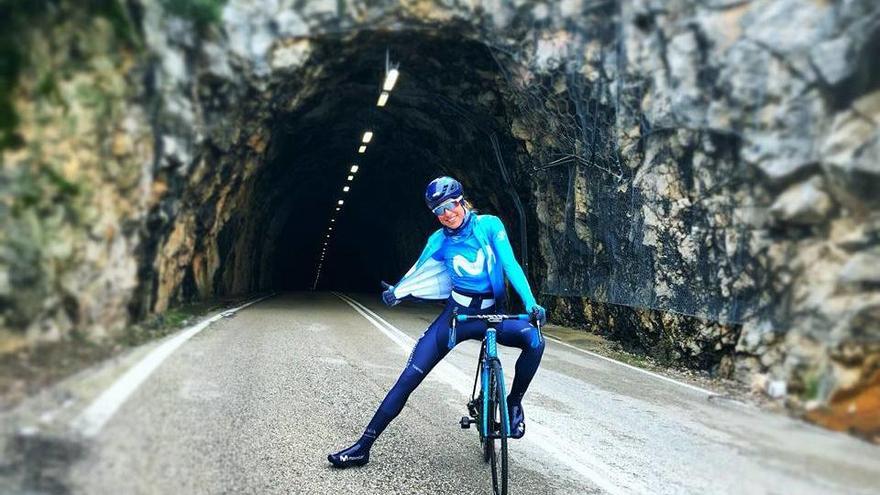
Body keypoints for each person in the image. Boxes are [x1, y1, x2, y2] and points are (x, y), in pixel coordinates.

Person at [327, 176, 547, 468]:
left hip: (493, 315)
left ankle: (513, 403)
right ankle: (363, 446)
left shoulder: (490, 226)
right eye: (438, 210)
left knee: (535, 340)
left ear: (462, 201)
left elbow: (510, 265)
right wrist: (398, 292)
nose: (446, 214)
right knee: (408, 378)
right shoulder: (439, 240)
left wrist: (531, 303)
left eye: (450, 206)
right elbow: (418, 272)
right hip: (458, 318)